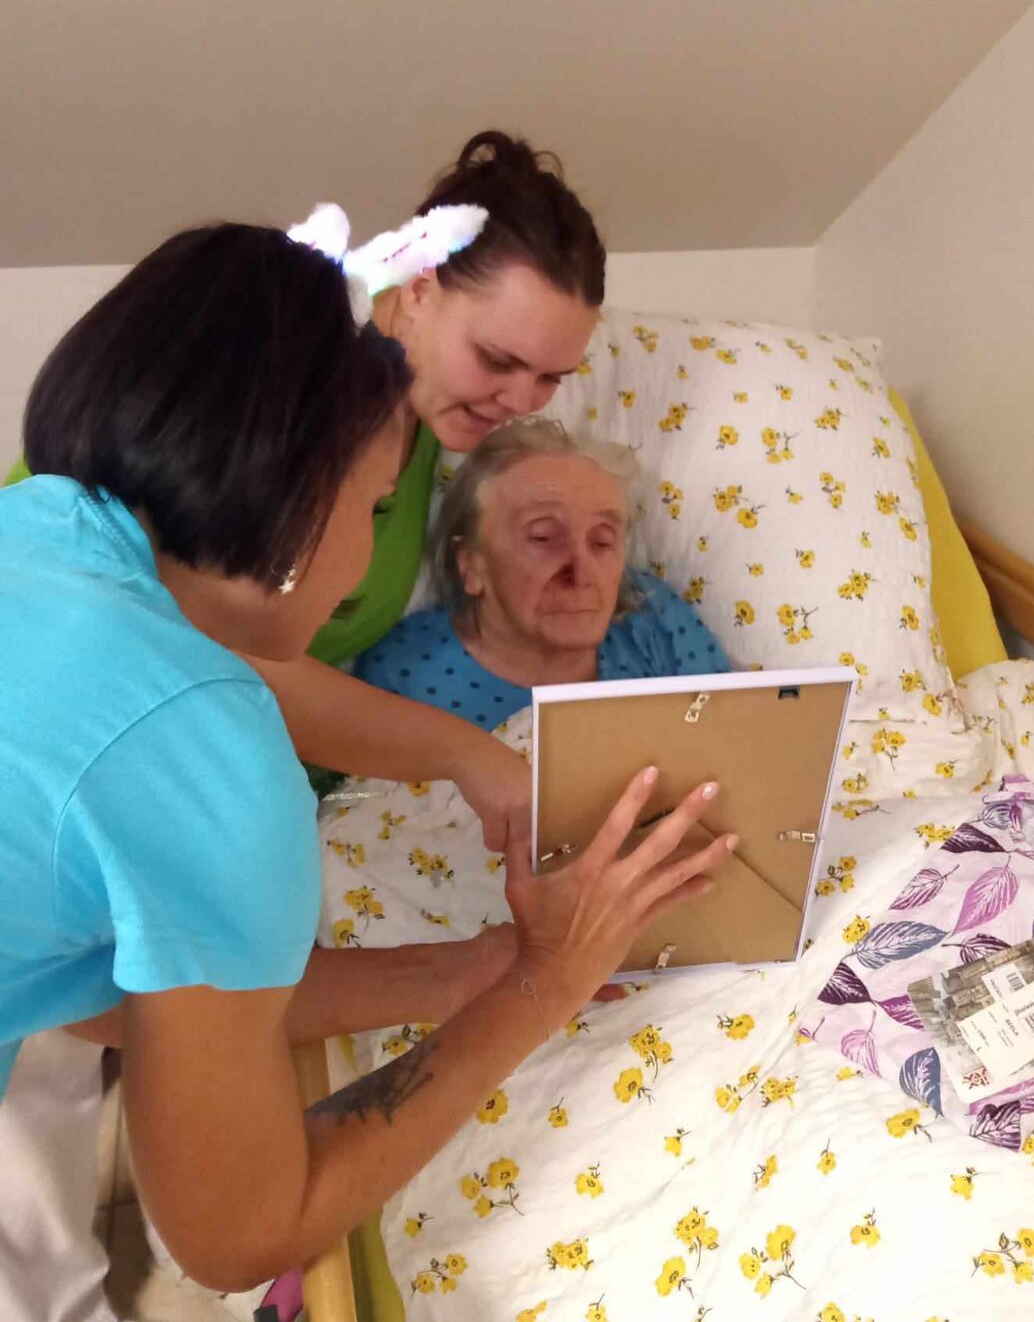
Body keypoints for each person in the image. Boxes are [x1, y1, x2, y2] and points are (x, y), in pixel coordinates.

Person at [0, 220, 735, 1293]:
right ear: (298, 490)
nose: (370, 563)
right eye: (378, 506)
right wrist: (543, 985)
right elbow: (233, 1234)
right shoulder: (213, 755)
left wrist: (474, 963)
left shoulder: (34, 529)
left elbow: (94, 987)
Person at [5, 130, 606, 848]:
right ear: (418, 287)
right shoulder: (282, 372)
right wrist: (464, 753)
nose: (521, 401)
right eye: (497, 360)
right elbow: (188, 633)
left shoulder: (430, 432)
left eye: (550, 378)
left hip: (273, 790)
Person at [357, 418, 730, 727]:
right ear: (471, 563)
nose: (581, 572)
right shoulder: (403, 679)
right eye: (543, 537)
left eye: (603, 541)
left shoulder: (655, 619)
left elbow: (734, 741)